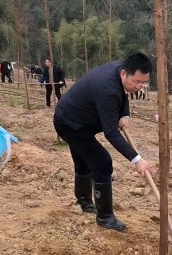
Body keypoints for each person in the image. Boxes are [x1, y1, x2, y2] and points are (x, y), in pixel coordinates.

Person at [53, 53, 153, 231]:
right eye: (136, 82)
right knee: (102, 162)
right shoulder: (107, 88)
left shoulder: (119, 71)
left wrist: (124, 114)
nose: (139, 86)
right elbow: (111, 133)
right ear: (124, 73)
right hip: (69, 123)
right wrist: (136, 159)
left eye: (143, 83)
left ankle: (84, 202)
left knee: (85, 160)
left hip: (79, 120)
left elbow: (125, 93)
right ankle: (105, 216)